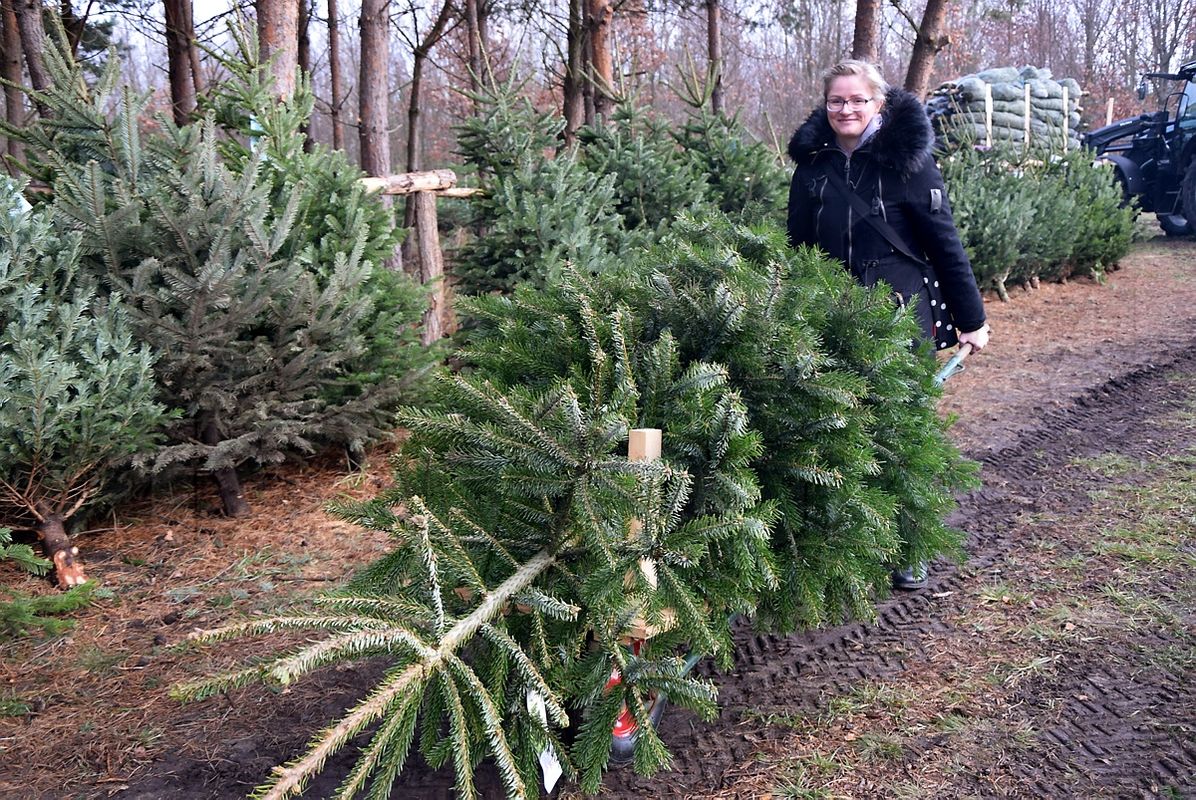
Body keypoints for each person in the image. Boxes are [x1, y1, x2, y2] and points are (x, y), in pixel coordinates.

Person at [786, 59, 990, 591]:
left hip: (899, 314)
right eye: (836, 101)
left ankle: (910, 543)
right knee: (835, 431)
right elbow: (796, 247)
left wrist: (972, 320)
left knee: (901, 433)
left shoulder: (908, 163)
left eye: (857, 100)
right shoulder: (812, 165)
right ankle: (844, 545)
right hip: (831, 312)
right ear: (825, 105)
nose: (846, 110)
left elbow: (944, 242)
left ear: (879, 103)